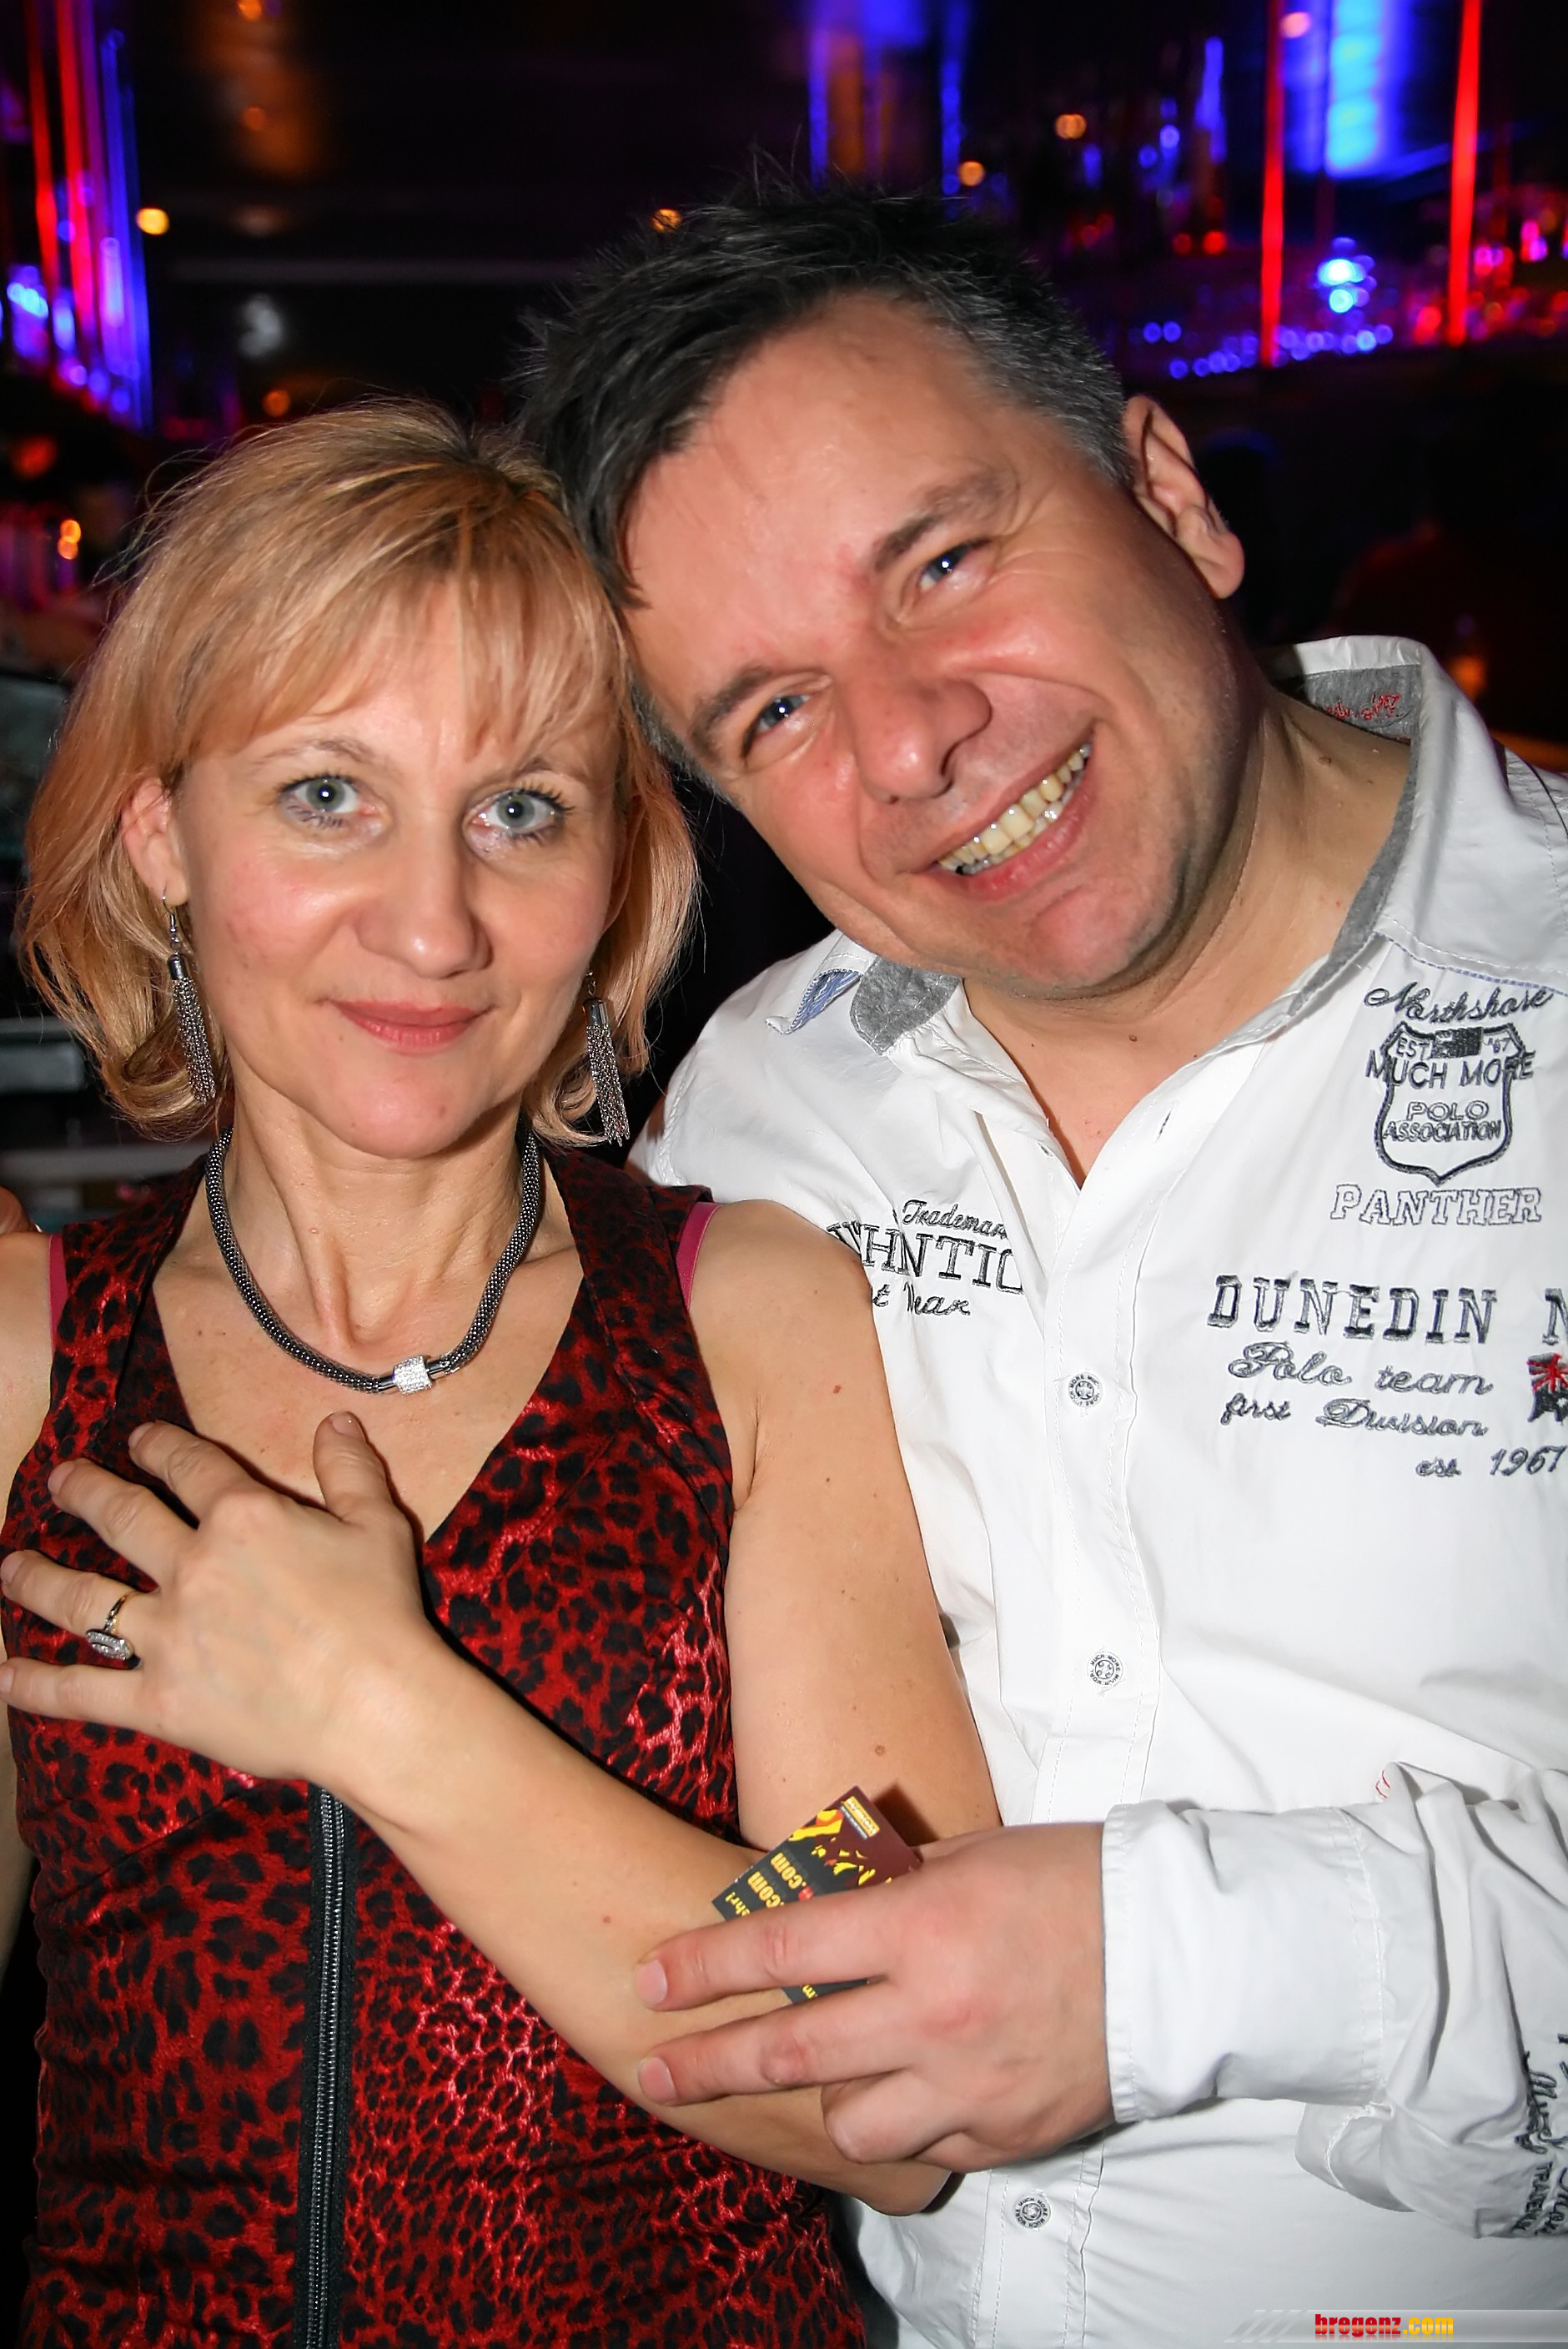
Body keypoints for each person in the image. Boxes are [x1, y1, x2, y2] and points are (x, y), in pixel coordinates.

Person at [514, 186, 1566, 2339]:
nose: (908, 743)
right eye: (774, 711)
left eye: (940, 565)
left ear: (1169, 496)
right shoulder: (754, 1116)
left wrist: (1178, 1964)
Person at [0, 400, 998, 2347]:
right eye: (327, 794)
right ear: (160, 834)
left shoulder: (741, 1315)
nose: (434, 919)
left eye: (522, 809)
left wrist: (378, 1709)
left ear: (615, 863)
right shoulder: (36, 1352)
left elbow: (891, 2085)